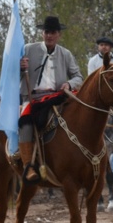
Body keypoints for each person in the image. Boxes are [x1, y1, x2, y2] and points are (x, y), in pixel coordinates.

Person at [18, 15, 83, 182]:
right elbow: (11, 75)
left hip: (57, 96)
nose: (49, 35)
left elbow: (78, 77)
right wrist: (20, 67)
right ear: (42, 33)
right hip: (33, 98)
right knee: (25, 121)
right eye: (47, 32)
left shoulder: (66, 54)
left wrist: (69, 83)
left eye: (53, 32)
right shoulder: (27, 49)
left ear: (59, 34)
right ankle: (28, 166)